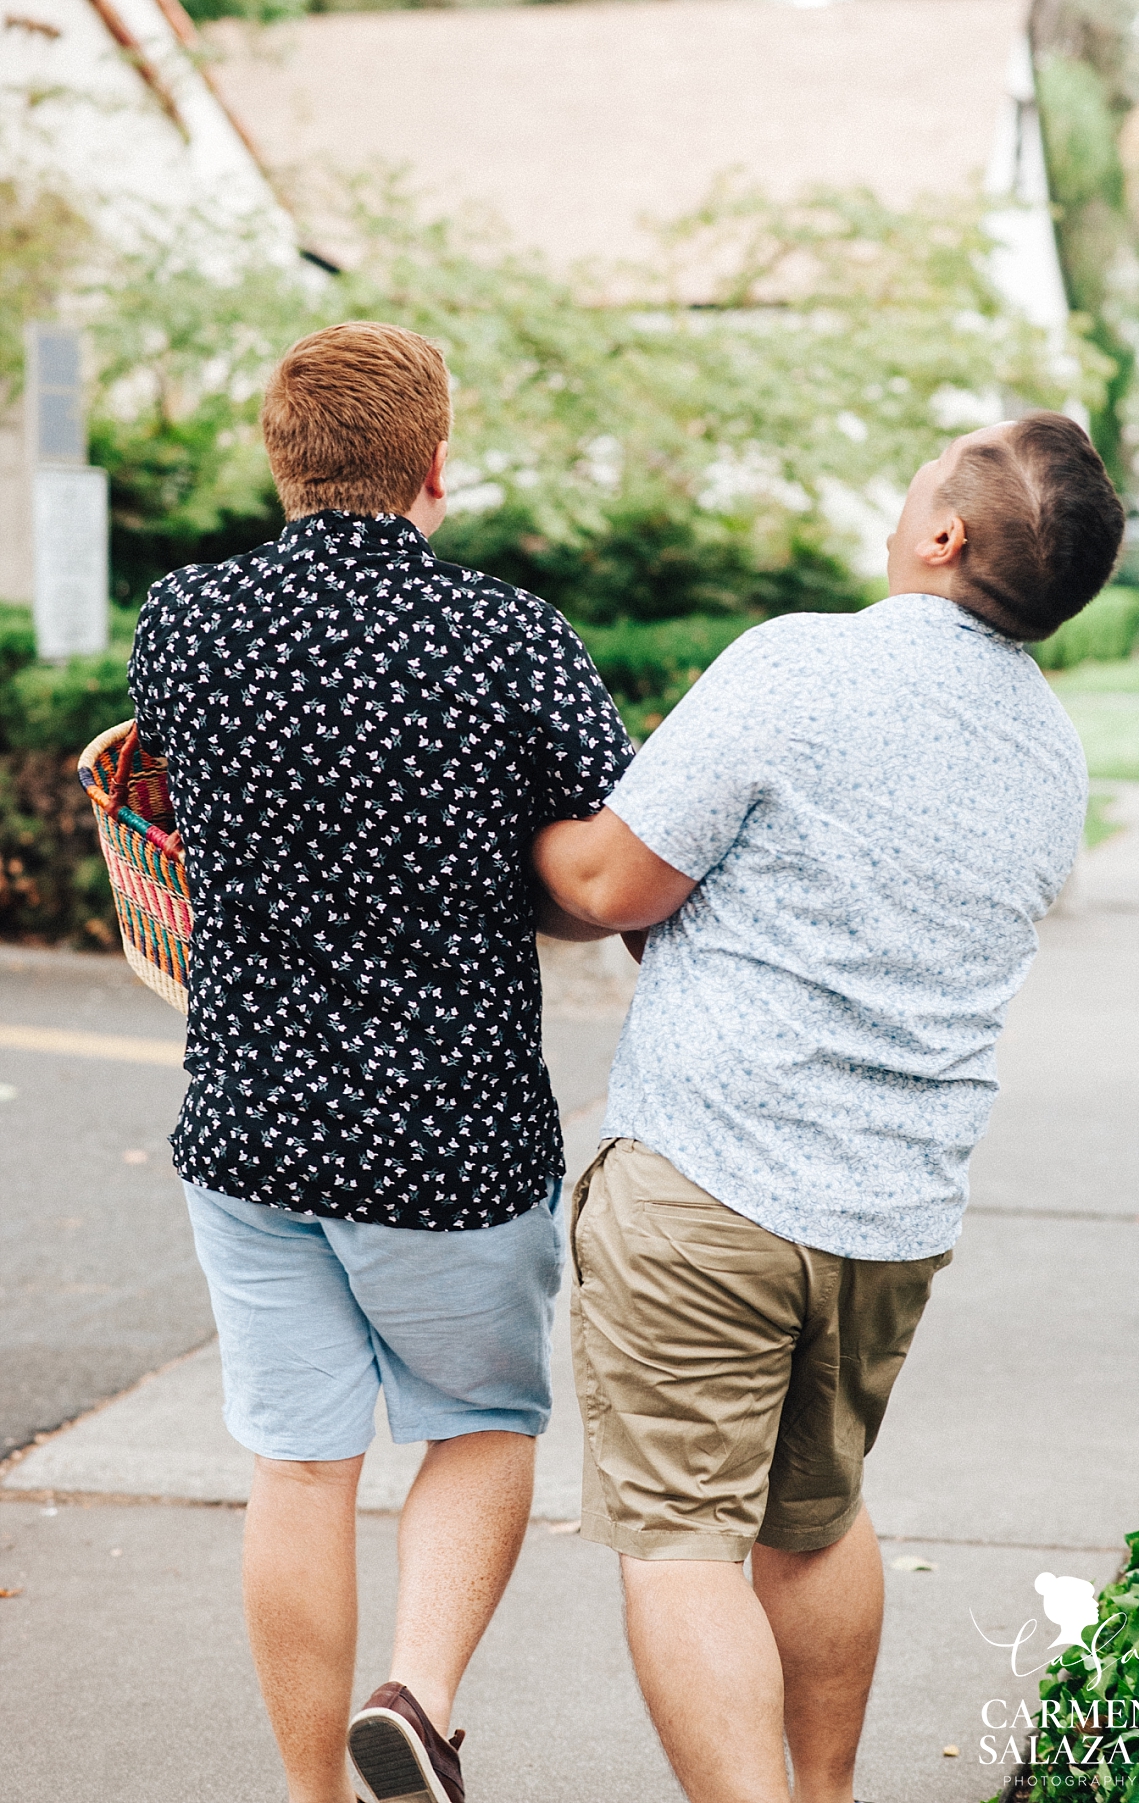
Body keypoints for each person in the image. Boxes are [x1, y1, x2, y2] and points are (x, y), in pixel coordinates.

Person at [532, 414, 1125, 1803]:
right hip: (891, 1217)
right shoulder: (1053, 757)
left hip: (709, 1185)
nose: (917, 473)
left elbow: (612, 887)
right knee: (816, 1519)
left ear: (943, 535)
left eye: (934, 467)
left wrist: (495, 827)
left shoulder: (804, 663)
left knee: (684, 1544)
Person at [127, 320, 632, 1803]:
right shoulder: (508, 637)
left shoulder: (184, 624)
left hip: (249, 1120)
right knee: (479, 1424)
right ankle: (414, 1697)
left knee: (296, 1464)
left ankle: (311, 1795)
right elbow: (607, 860)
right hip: (451, 1133)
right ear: (434, 464)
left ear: (282, 462)